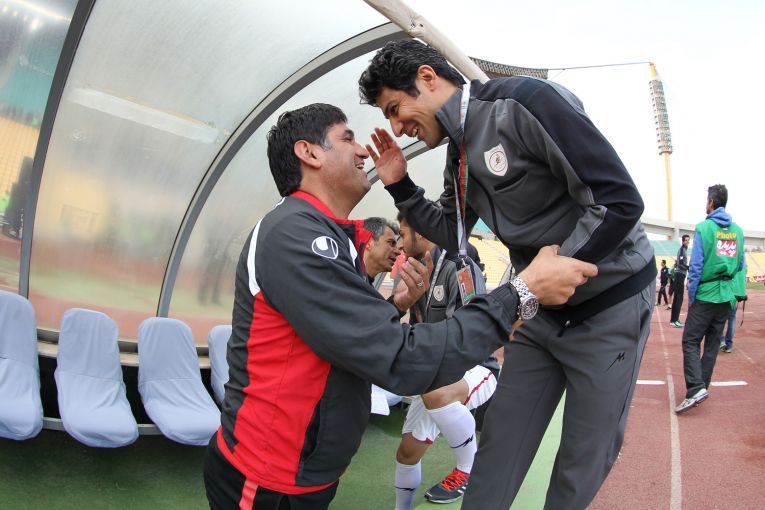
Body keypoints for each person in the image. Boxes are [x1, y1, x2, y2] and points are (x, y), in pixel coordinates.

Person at [202, 103, 597, 509]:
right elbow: (399, 358)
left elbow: (340, 339)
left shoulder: (323, 234)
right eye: (347, 138)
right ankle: (467, 462)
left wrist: (396, 304)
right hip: (267, 479)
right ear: (310, 152)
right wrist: (522, 292)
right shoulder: (296, 235)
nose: (362, 151)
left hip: (299, 474)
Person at [359, 40, 655, 509]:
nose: (397, 127)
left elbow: (618, 200)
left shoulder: (527, 102)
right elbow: (453, 233)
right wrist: (400, 185)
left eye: (395, 109)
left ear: (427, 78)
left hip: (609, 304)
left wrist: (553, 271)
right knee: (498, 449)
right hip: (542, 311)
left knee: (580, 464)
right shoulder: (458, 155)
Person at [393, 213, 496, 508]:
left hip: (475, 367)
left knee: (435, 393)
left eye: (403, 234)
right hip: (434, 374)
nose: (399, 244)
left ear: (421, 234)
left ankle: (468, 468)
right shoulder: (412, 269)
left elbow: (470, 334)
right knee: (407, 453)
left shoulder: (460, 266)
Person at [675, 184, 745, 414]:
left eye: (707, 200)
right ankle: (701, 387)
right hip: (726, 296)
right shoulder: (738, 231)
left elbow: (696, 267)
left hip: (706, 294)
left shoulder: (704, 228)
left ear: (712, 202)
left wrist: (692, 298)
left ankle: (696, 388)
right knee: (713, 344)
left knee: (690, 341)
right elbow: (740, 265)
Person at [720, 261, 747, 353]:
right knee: (731, 318)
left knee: (719, 317)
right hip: (737, 292)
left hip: (727, 289)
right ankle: (729, 344)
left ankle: (721, 340)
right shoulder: (742, 259)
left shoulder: (730, 257)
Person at [670, 234, 690, 327]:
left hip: (680, 275)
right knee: (679, 297)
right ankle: (675, 320)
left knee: (676, 297)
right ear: (682, 241)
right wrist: (689, 267)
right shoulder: (682, 250)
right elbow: (681, 264)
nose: (687, 242)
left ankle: (673, 320)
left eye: (688, 240)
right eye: (686, 240)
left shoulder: (684, 250)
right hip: (680, 275)